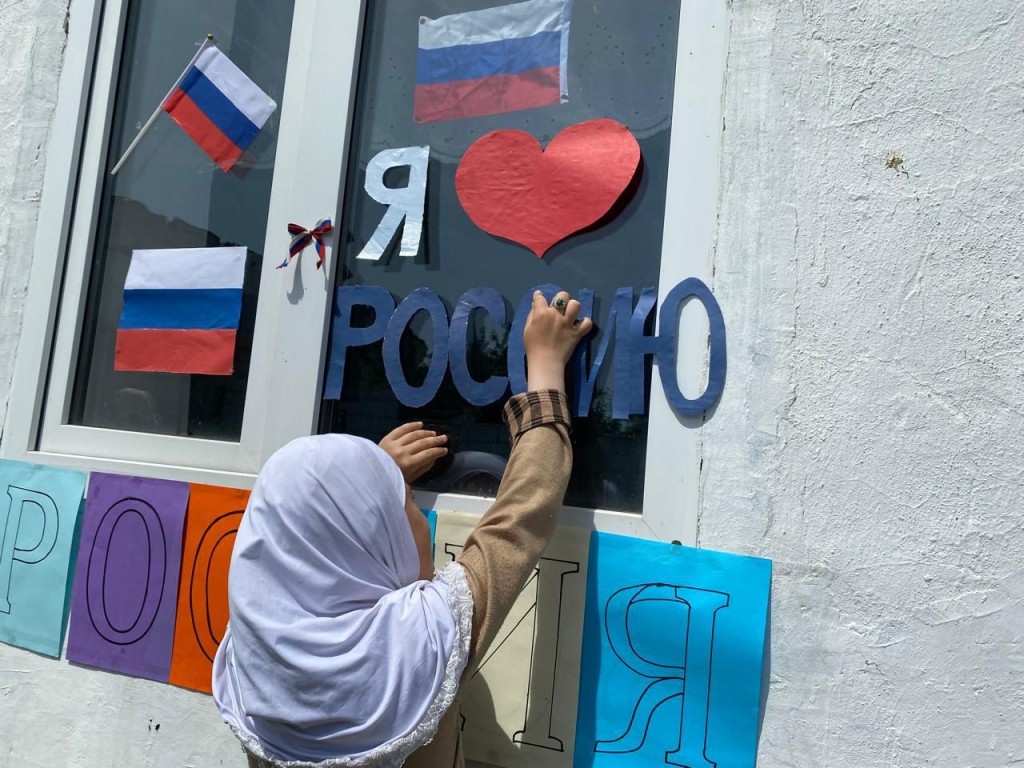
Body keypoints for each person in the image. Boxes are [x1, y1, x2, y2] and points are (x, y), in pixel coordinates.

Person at [212, 290, 593, 768]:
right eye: (404, 503)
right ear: (373, 540)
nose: (416, 514)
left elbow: (313, 521)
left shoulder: (256, 651)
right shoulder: (424, 636)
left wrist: (364, 478)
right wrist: (546, 370)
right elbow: (521, 516)